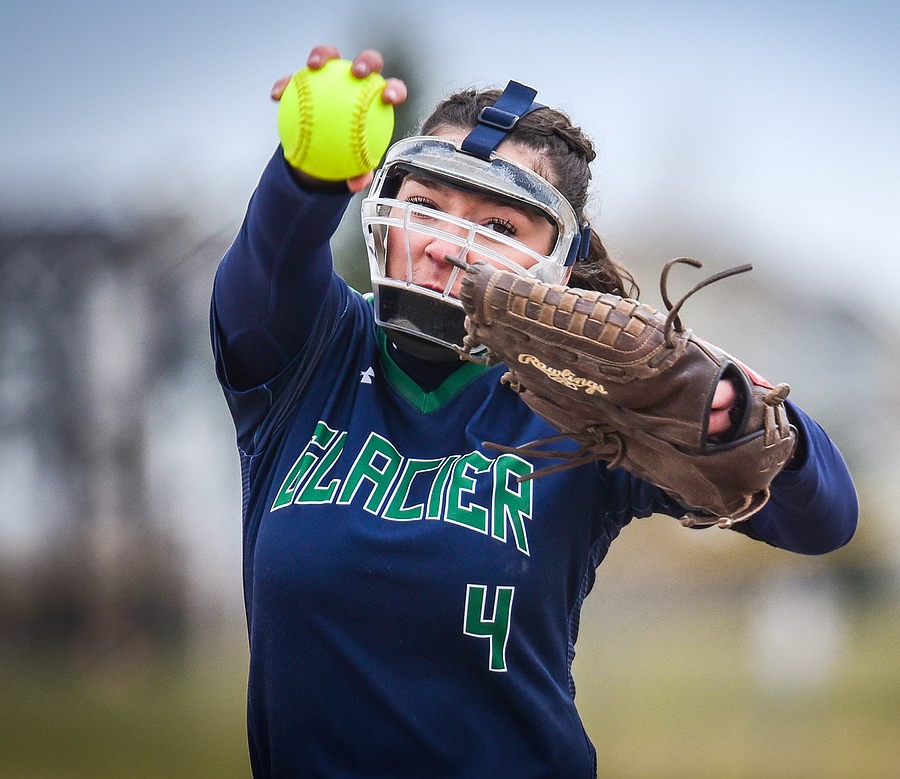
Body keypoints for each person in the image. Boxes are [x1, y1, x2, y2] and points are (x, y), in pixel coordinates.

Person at [211, 45, 858, 779]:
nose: (448, 246)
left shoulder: (587, 393)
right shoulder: (309, 351)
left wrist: (743, 425)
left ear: (560, 254)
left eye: (499, 226)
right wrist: (308, 171)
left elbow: (826, 518)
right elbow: (268, 261)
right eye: (426, 207)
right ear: (385, 213)